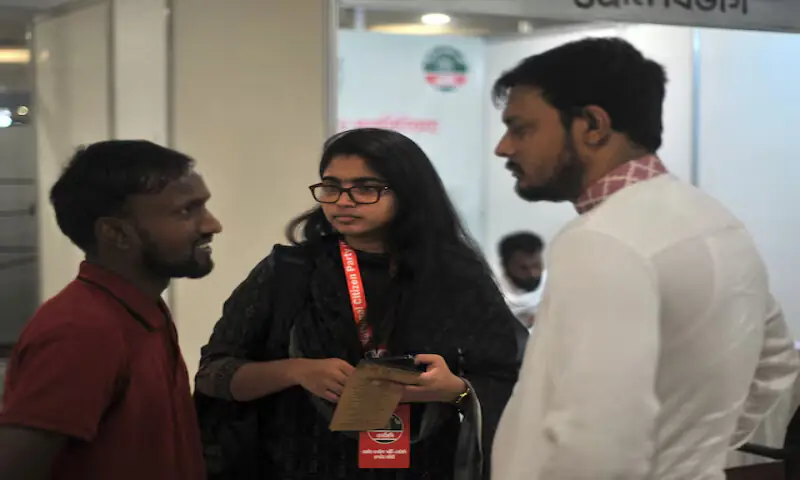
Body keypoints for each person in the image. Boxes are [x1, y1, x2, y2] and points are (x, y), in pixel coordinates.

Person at [489, 37, 800, 479]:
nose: (504, 147)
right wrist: (689, 456)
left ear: (593, 125)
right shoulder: (715, 220)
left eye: (521, 128)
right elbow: (775, 366)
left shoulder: (602, 238)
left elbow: (598, 443)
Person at [194, 128, 521, 480]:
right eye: (331, 186)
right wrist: (296, 371)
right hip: (298, 464)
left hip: (424, 467)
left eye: (366, 188)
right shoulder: (290, 272)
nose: (343, 201)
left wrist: (456, 390)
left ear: (408, 193)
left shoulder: (456, 277)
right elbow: (214, 373)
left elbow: (511, 380)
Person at [0, 140, 221, 479]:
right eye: (186, 211)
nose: (212, 225)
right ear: (116, 233)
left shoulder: (142, 309)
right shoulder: (82, 331)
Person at [497, 231, 546, 329]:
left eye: (537, 265)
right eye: (523, 268)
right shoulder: (492, 292)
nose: (533, 273)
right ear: (506, 267)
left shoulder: (555, 283)